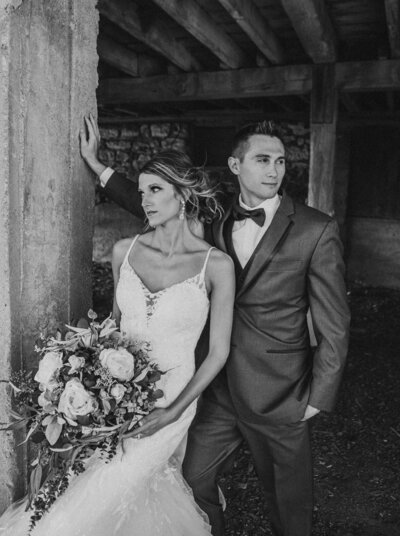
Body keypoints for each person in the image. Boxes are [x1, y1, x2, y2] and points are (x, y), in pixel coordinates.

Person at [79, 116, 350, 536]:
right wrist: (99, 168)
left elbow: (335, 319)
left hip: (279, 391)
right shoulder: (217, 212)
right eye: (263, 160)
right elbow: (153, 206)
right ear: (236, 165)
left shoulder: (315, 229)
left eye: (280, 160)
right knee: (192, 479)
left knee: (289, 501)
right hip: (217, 388)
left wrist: (320, 395)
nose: (274, 170)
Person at [0, 136, 235, 535]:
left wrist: (174, 410)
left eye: (156, 190)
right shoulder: (124, 251)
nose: (145, 200)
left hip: (173, 397)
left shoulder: (216, 265)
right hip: (116, 393)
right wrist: (88, 383)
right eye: (141, 192)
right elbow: (113, 327)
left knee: (114, 483)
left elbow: (218, 352)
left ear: (182, 195)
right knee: (108, 478)